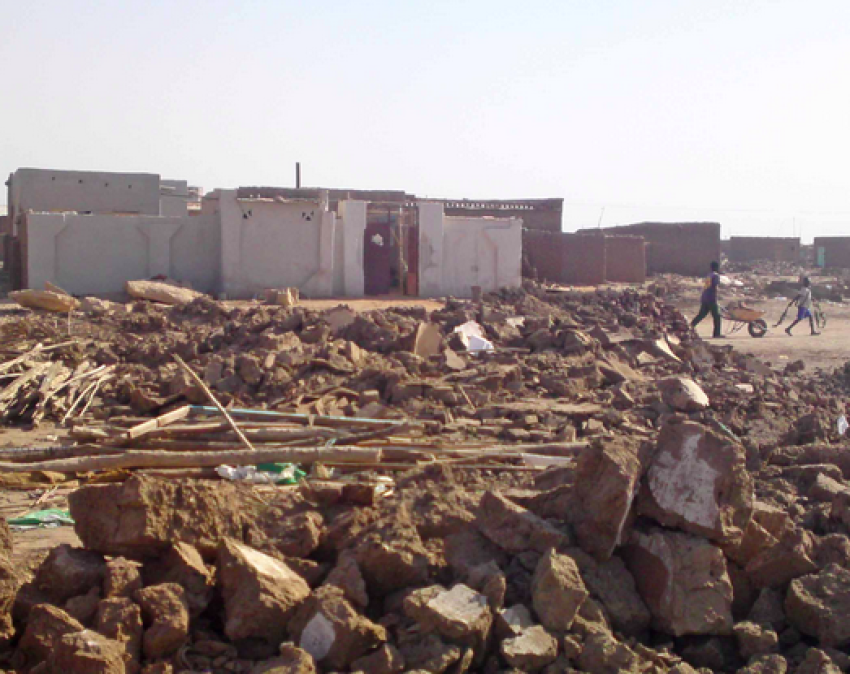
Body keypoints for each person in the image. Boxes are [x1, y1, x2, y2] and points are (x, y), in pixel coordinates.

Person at [691, 261, 723, 338]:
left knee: (701, 315)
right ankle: (716, 334)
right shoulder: (716, 276)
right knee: (717, 316)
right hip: (711, 298)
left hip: (704, 297)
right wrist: (715, 297)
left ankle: (689, 327)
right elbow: (715, 286)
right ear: (716, 267)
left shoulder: (709, 275)